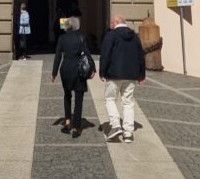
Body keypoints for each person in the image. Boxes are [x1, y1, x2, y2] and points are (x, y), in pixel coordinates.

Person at [100, 14, 146, 144]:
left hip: (113, 74)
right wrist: (141, 75)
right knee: (128, 102)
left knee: (110, 99)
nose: (110, 25)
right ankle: (128, 133)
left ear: (115, 22)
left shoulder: (111, 35)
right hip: (131, 75)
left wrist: (102, 72)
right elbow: (140, 56)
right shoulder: (134, 37)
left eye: (111, 23)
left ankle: (115, 125)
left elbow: (105, 54)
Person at [51, 16, 90, 138]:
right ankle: (77, 127)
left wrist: (54, 73)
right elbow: (87, 55)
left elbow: (58, 56)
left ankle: (67, 122)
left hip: (65, 70)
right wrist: (92, 70)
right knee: (79, 98)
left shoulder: (62, 38)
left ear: (67, 25)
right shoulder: (81, 37)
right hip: (78, 70)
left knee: (67, 95)